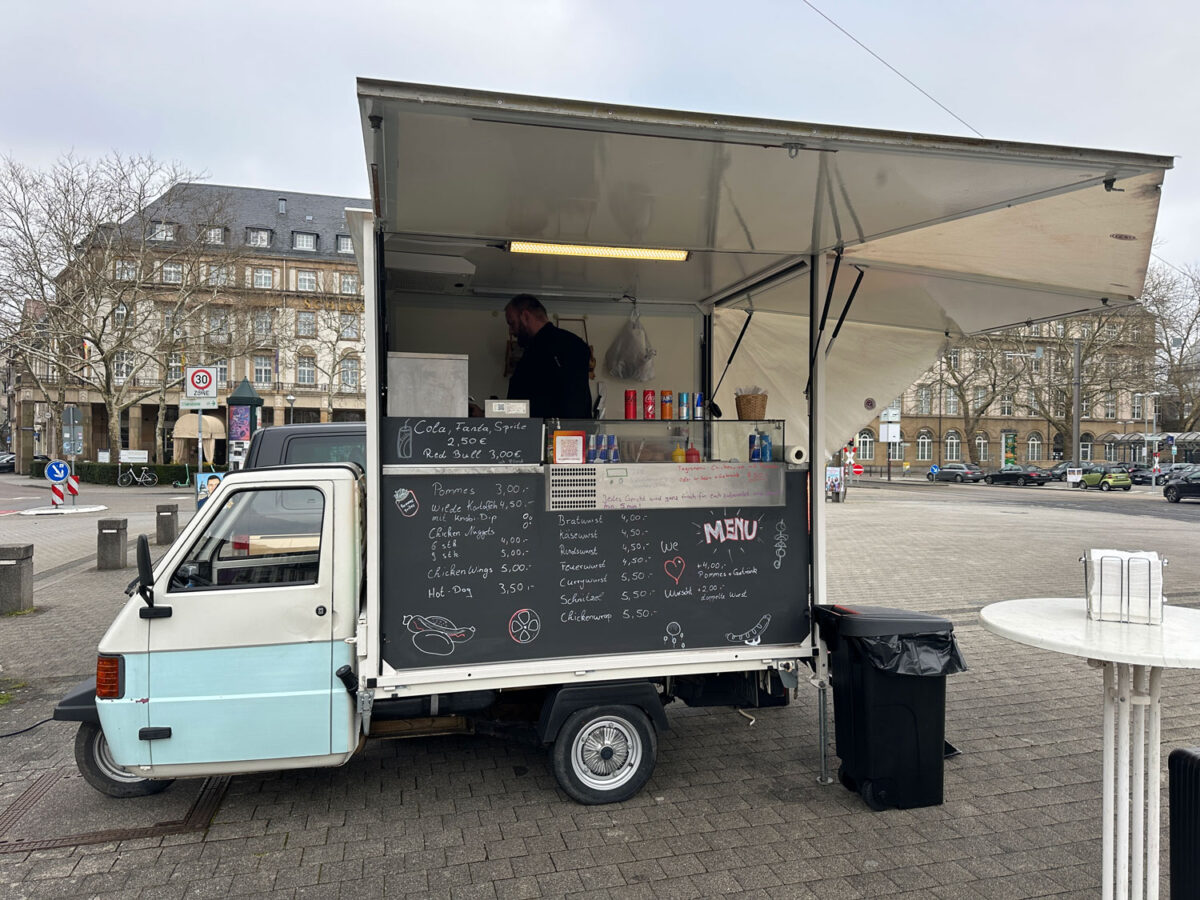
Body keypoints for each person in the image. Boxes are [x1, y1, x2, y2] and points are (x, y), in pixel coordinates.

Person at [505, 294, 593, 418]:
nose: (511, 331)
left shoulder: (538, 351)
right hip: (572, 433)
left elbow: (528, 403)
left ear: (525, 316)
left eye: (512, 323)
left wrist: (491, 415)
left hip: (545, 433)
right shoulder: (575, 343)